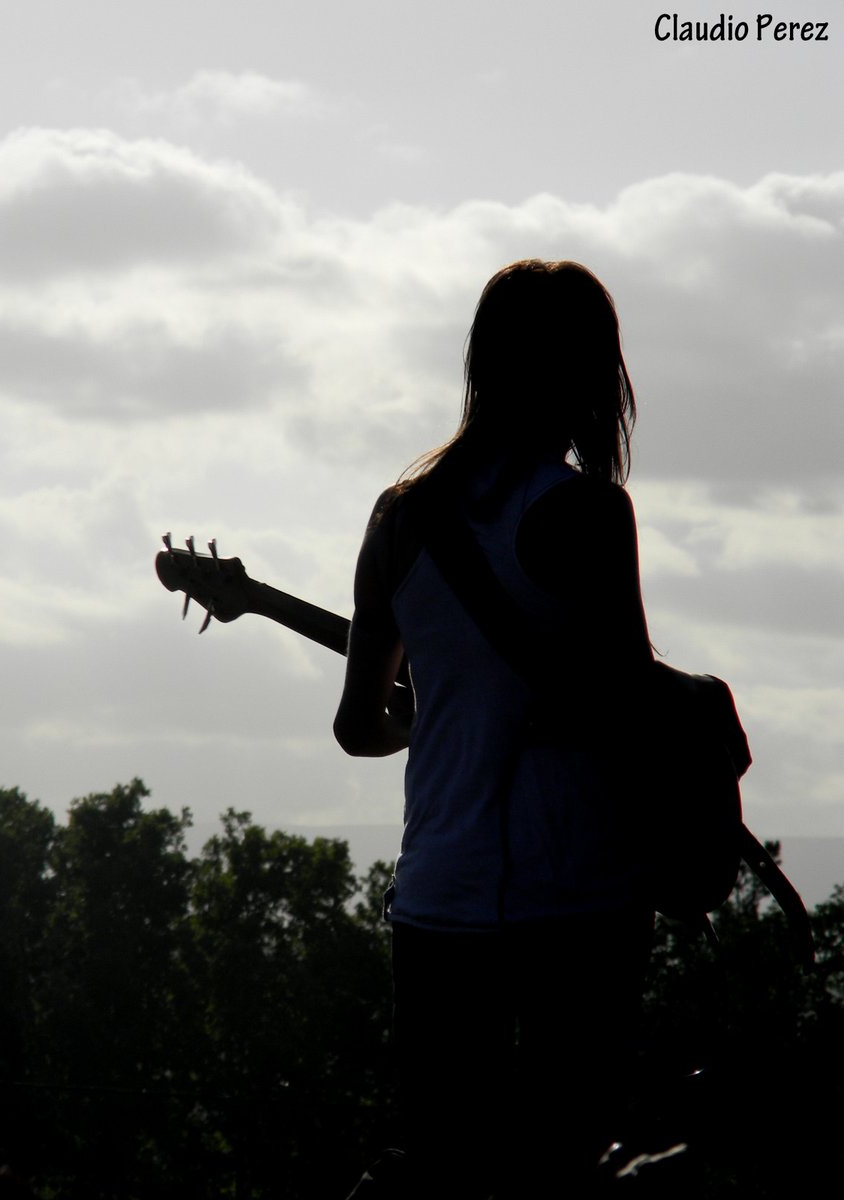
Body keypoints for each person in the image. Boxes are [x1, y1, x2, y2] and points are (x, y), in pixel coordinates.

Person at [334, 260, 655, 1198]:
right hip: (581, 898)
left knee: (450, 1173)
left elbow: (360, 727)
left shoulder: (399, 517)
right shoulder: (588, 512)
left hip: (439, 897)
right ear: (594, 373)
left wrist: (426, 715)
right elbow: (623, 707)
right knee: (568, 1168)